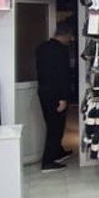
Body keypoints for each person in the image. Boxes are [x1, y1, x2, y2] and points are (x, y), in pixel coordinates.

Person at [35, 20, 77, 170]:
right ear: (65, 35)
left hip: (44, 92)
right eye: (70, 36)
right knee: (55, 128)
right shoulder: (60, 51)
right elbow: (61, 76)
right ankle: (48, 161)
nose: (71, 40)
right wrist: (63, 98)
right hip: (56, 95)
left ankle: (57, 152)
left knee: (52, 124)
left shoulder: (42, 47)